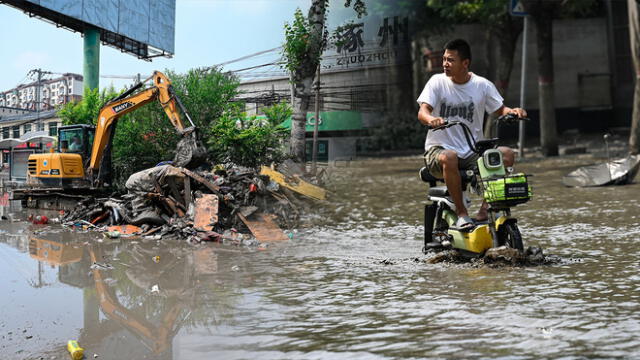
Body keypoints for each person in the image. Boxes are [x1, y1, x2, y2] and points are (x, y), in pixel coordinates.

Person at [417, 38, 527, 230]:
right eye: (444, 59)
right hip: (438, 151)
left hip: (471, 150)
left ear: (465, 63)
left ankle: (484, 211)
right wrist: (431, 119)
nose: (445, 64)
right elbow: (422, 111)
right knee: (449, 156)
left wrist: (514, 112)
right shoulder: (437, 82)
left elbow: (500, 110)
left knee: (507, 155)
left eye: (450, 60)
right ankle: (462, 214)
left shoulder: (482, 85)